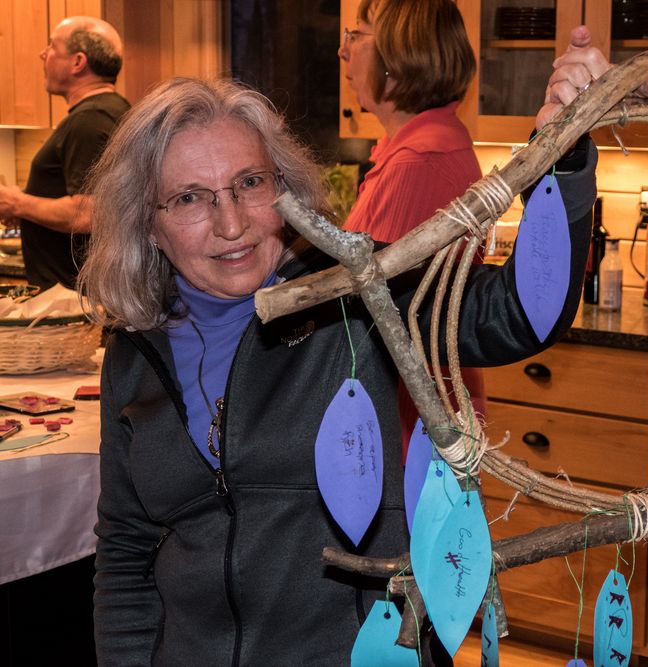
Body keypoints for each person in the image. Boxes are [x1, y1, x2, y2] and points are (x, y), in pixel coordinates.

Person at [78, 33, 609, 661]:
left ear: (284, 188)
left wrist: (563, 159)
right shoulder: (135, 347)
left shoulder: (356, 290)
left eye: (249, 183)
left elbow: (518, 314)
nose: (231, 223)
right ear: (149, 222)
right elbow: (126, 548)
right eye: (191, 198)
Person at [339, 0, 485, 451]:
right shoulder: (411, 147)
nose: (343, 52)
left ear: (397, 61)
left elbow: (370, 311)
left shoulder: (419, 163)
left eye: (356, 36)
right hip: (419, 411)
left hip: (408, 426)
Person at [0, 16, 129, 290]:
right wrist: (29, 209)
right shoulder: (109, 110)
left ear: (77, 62)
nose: (42, 54)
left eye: (52, 46)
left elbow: (88, 214)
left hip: (73, 298)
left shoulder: (91, 119)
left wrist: (18, 204)